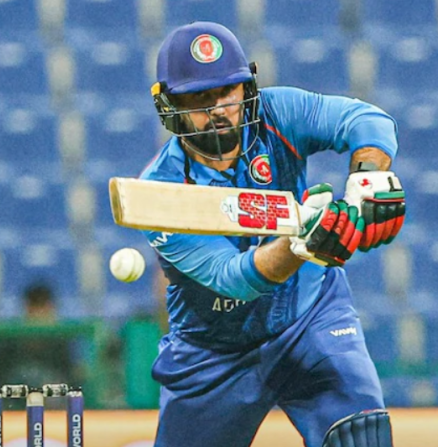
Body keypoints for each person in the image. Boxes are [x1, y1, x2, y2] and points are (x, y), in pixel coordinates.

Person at [140, 22, 405, 447]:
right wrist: (302, 245)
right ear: (170, 105)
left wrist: (367, 177)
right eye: (200, 98)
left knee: (360, 436)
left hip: (309, 315)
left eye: (227, 91)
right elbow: (233, 279)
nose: (219, 109)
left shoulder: (277, 113)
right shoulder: (160, 191)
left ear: (247, 87)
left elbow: (365, 119)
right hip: (214, 349)